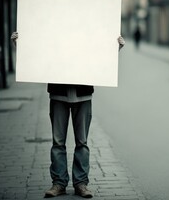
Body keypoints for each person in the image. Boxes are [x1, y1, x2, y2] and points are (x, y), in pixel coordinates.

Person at [11, 32, 125, 198]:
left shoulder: (85, 28)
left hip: (83, 92)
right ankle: (59, 183)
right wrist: (20, 45)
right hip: (59, 92)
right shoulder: (56, 27)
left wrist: (115, 48)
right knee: (58, 142)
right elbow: (41, 53)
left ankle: (80, 183)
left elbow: (98, 54)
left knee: (82, 142)